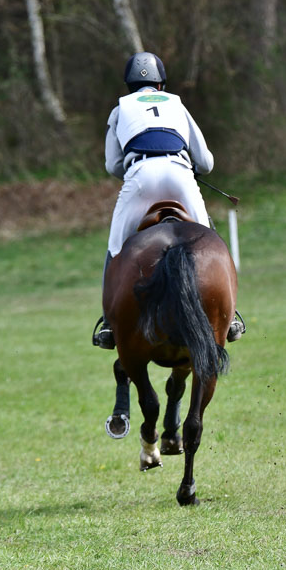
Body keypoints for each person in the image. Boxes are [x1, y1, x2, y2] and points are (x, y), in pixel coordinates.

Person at [92, 51, 245, 349]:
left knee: (115, 248)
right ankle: (232, 315)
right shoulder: (177, 104)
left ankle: (109, 324)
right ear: (161, 85)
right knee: (209, 242)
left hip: (140, 177)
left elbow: (112, 165)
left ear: (128, 86)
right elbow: (207, 162)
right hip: (179, 175)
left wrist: (138, 163)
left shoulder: (120, 109)